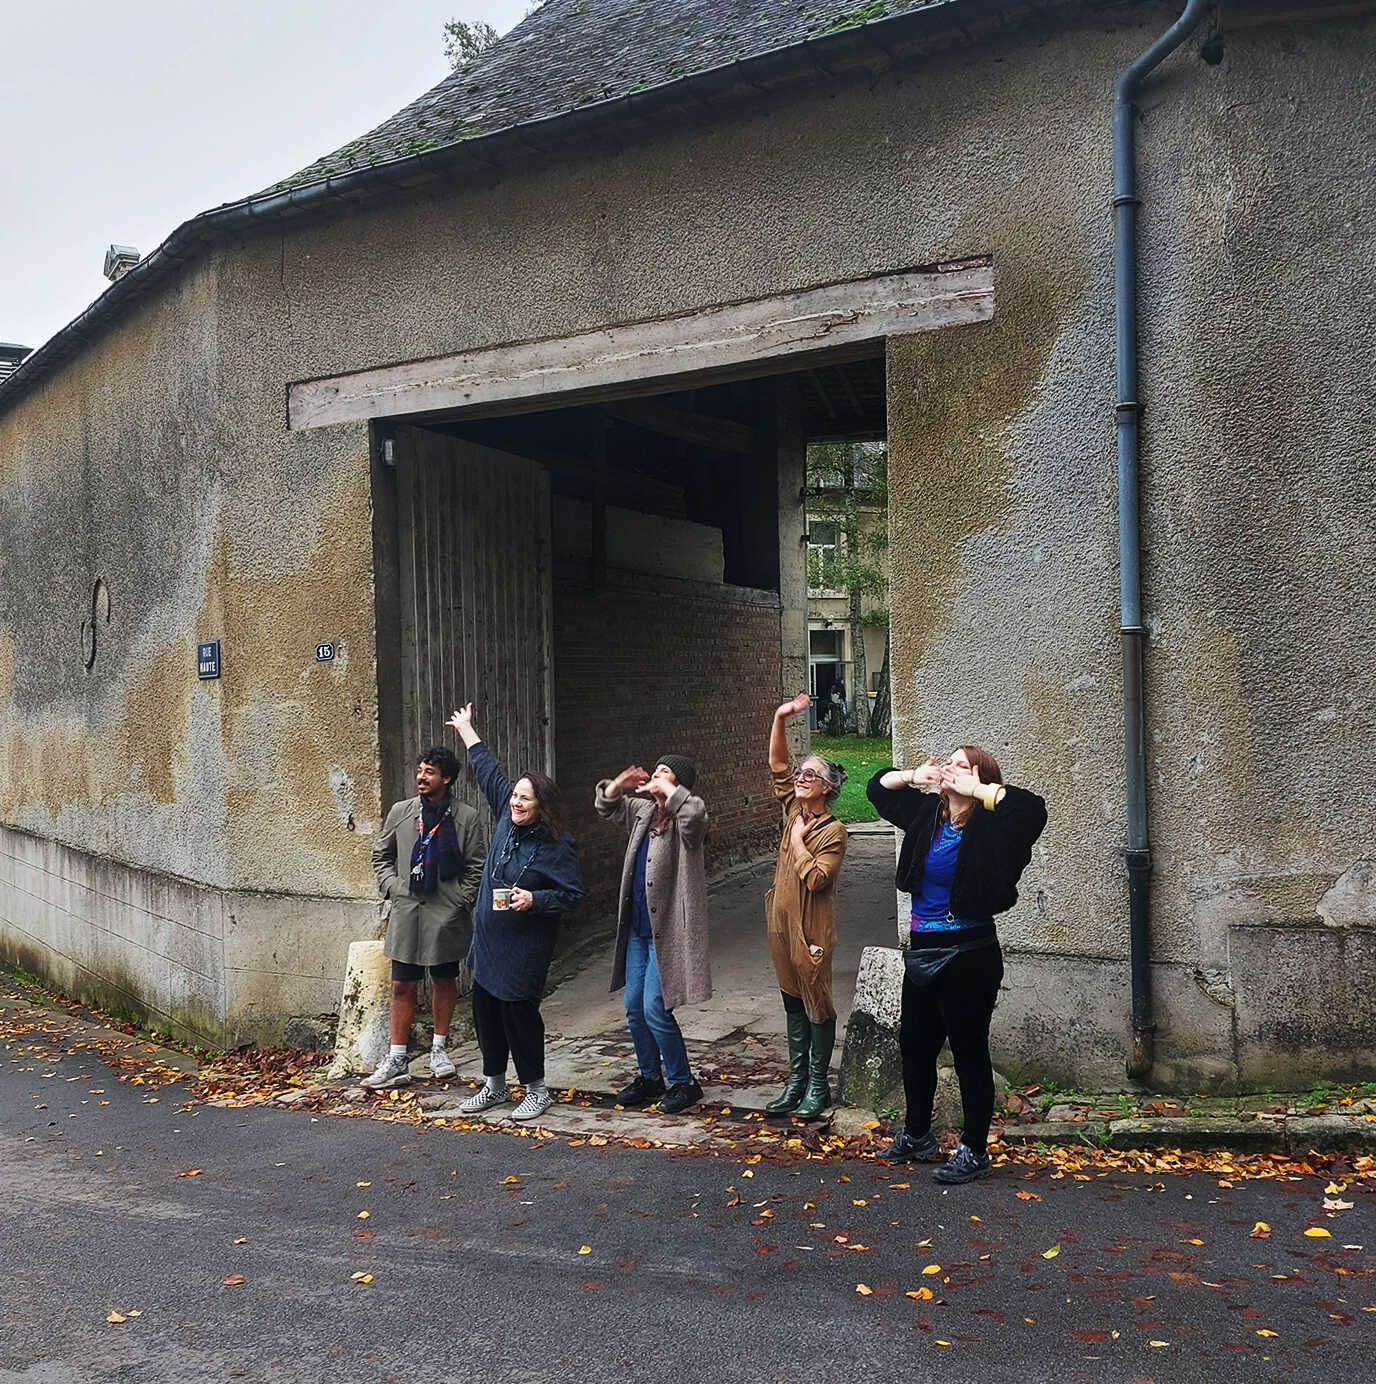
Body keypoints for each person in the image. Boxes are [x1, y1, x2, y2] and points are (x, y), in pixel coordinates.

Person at [866, 747, 1047, 1184]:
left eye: (962, 765)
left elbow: (1032, 810)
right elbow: (877, 788)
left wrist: (979, 790)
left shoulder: (994, 825)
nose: (951, 769)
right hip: (922, 948)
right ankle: (916, 1135)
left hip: (969, 953)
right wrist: (914, 774)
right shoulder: (928, 814)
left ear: (982, 778)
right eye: (949, 763)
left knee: (968, 1053)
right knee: (915, 1046)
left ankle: (974, 1149)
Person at [446, 703, 585, 1122]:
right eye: (515, 796)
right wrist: (468, 731)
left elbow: (573, 895)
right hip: (489, 940)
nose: (516, 802)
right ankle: (494, 1085)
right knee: (485, 1013)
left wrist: (535, 900)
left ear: (542, 804)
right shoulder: (507, 824)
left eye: (525, 798)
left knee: (518, 1016)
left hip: (524, 948)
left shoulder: (558, 847)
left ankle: (536, 1089)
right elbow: (488, 772)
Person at [364, 747, 486, 1090]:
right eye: (420, 770)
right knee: (402, 984)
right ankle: (397, 1059)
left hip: (445, 915)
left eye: (430, 772)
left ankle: (439, 1050)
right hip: (408, 911)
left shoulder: (466, 817)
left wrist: (459, 901)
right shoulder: (402, 812)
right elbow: (381, 854)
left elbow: (477, 867)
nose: (421, 776)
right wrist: (394, 887)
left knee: (444, 981)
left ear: (446, 779)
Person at [595, 755, 710, 1115]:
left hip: (669, 931)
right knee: (633, 1008)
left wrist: (671, 791)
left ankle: (683, 1082)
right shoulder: (644, 812)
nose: (657, 776)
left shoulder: (687, 817)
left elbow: (694, 816)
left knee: (655, 1007)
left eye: (666, 773)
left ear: (680, 785)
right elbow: (607, 806)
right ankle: (649, 1076)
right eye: (656, 770)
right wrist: (620, 781)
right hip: (638, 930)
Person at [763, 692, 848, 1119]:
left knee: (817, 1002)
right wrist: (781, 716)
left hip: (811, 930)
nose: (800, 778)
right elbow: (778, 763)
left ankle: (818, 1085)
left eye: (810, 775)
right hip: (780, 923)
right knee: (791, 1000)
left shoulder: (835, 831)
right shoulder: (794, 807)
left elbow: (817, 878)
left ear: (828, 787)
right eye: (801, 773)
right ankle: (795, 1082)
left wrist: (797, 844)